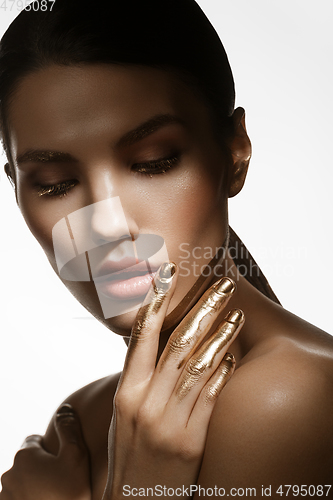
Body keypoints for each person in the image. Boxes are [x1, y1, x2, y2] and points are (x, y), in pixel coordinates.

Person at [0, 0, 332, 498]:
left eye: (154, 162)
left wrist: (141, 489)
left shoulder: (287, 398)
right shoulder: (83, 422)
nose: (107, 226)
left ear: (235, 153)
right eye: (54, 184)